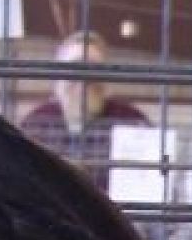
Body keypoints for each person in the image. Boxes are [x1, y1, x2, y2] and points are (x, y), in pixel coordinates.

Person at [19, 30, 151, 191]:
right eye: (74, 66)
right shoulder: (36, 123)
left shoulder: (131, 120)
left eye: (94, 68)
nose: (84, 77)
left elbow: (145, 185)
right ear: (57, 77)